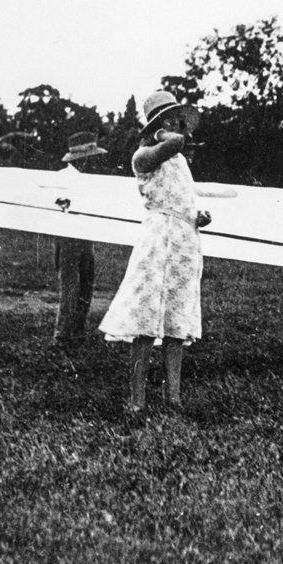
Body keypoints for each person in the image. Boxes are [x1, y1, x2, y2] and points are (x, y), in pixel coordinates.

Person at [98, 91, 209, 415]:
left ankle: (172, 397)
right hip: (159, 238)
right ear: (160, 124)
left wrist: (197, 215)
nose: (182, 126)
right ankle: (137, 400)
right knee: (146, 319)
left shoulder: (180, 161)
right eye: (174, 119)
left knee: (178, 320)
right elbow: (173, 143)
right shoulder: (145, 155)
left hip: (184, 238)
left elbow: (182, 196)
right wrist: (161, 132)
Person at [53, 131, 107, 346]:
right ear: (81, 158)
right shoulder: (62, 177)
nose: (93, 162)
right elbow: (56, 202)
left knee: (86, 282)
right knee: (70, 285)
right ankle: (62, 333)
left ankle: (77, 330)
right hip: (67, 236)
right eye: (90, 158)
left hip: (86, 235)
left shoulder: (90, 179)